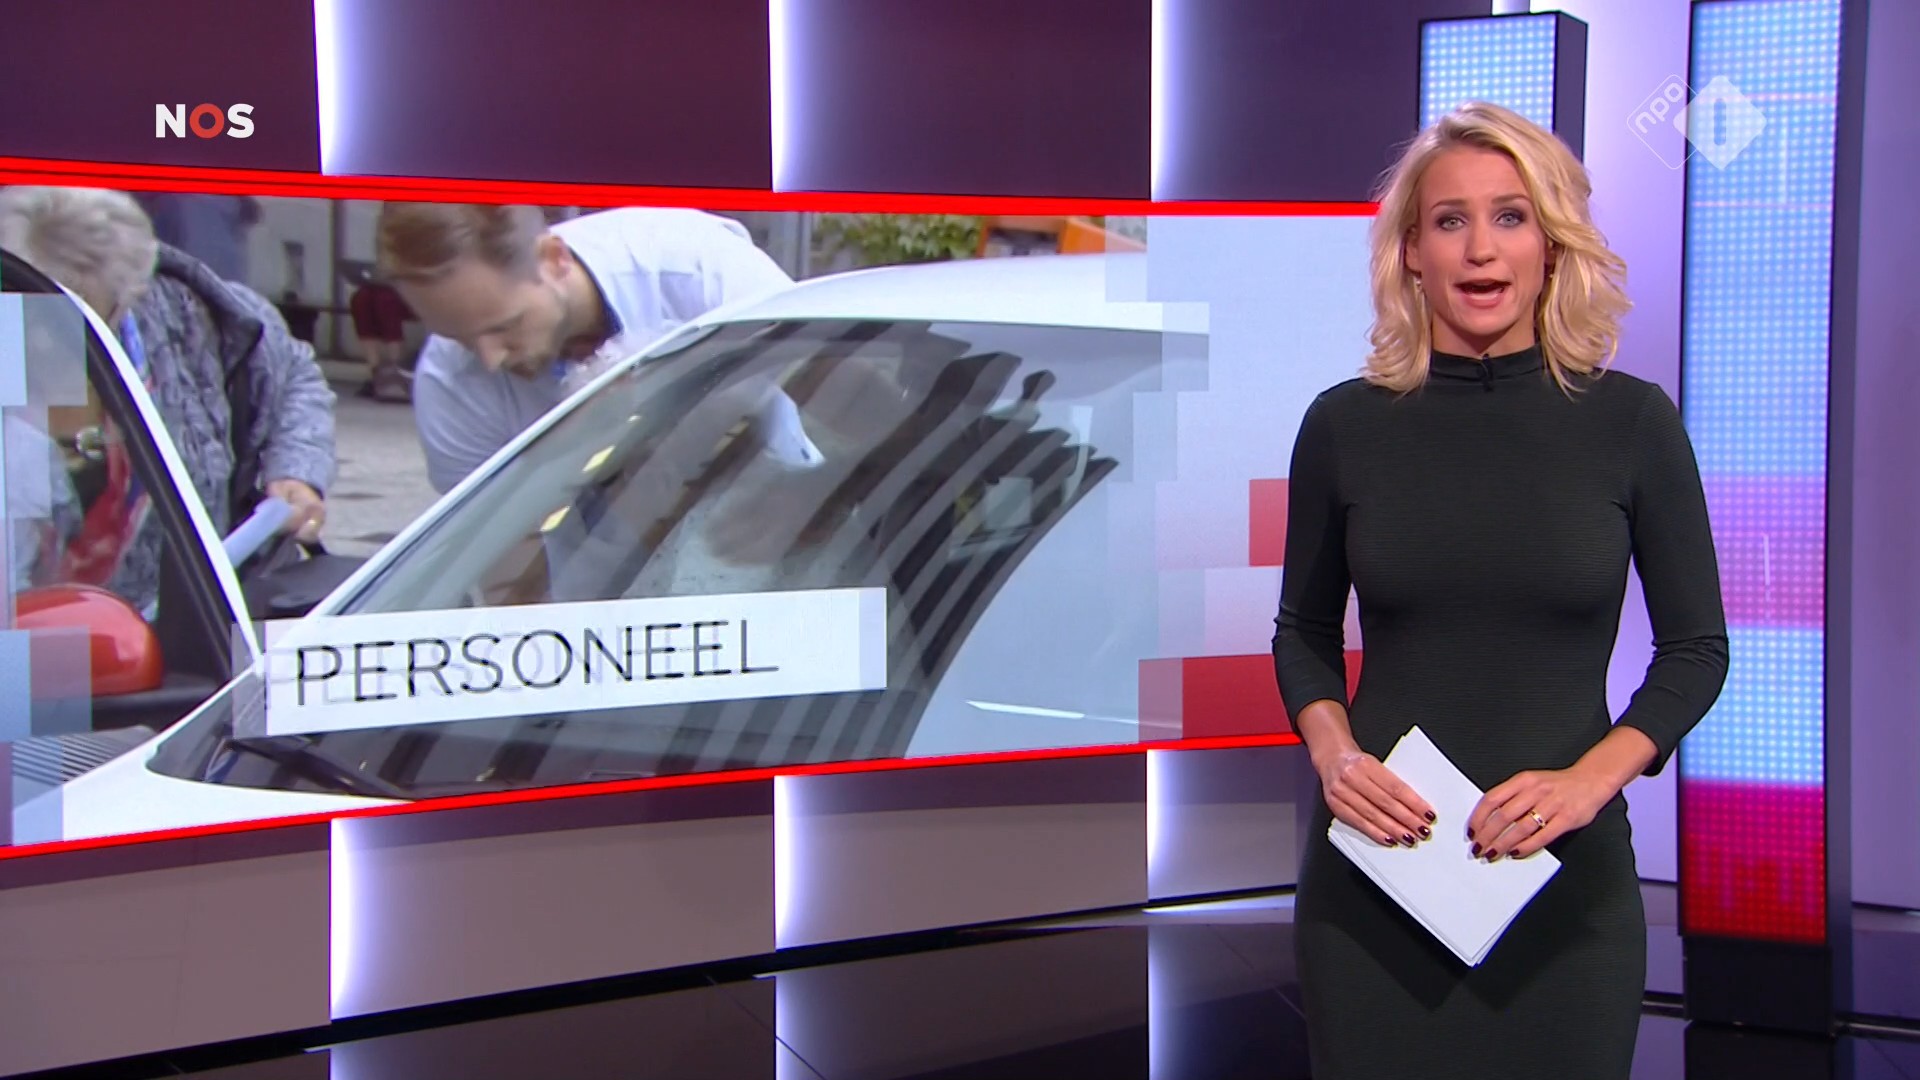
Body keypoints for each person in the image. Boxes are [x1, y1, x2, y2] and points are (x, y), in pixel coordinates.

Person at [1270, 101, 1729, 1079]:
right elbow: (1302, 629)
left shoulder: (1633, 424)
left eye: (1511, 216)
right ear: (1411, 253)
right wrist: (1334, 754)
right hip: (1380, 880)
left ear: (1551, 245)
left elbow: (1697, 649)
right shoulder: (1344, 426)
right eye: (1451, 220)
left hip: (1567, 891)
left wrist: (1591, 779)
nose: (1481, 248)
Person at [0, 186, 337, 613]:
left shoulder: (191, 314)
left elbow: (294, 373)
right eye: (30, 314)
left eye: (79, 317)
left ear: (126, 298)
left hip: (191, 623)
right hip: (38, 633)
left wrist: (295, 469)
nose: (46, 340)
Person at [374, 202, 795, 494]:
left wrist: (797, 507)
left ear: (554, 259)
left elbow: (831, 393)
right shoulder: (447, 378)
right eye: (459, 338)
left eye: (506, 326)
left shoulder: (704, 275)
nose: (490, 360)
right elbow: (498, 563)